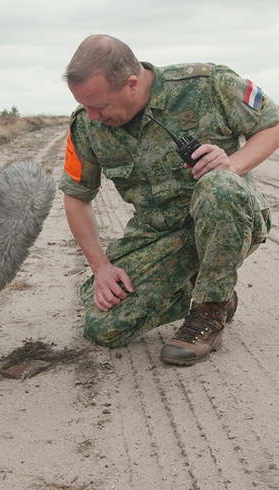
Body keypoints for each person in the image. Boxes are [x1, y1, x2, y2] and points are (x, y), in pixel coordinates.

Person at [59, 35, 279, 367]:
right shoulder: (86, 127)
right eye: (85, 105)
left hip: (230, 216)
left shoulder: (209, 84)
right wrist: (101, 267)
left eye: (99, 106)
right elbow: (76, 196)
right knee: (103, 326)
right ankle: (207, 281)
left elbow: (272, 123)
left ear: (131, 84)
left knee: (219, 185)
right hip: (160, 235)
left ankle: (210, 309)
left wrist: (233, 164)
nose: (91, 116)